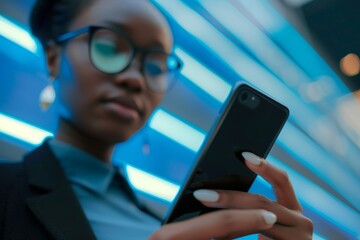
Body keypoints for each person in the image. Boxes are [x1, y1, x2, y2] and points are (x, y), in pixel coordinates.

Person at [0, 0, 313, 239]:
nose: (136, 79)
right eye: (109, 47)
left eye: (155, 66)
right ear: (54, 59)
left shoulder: (170, 224)